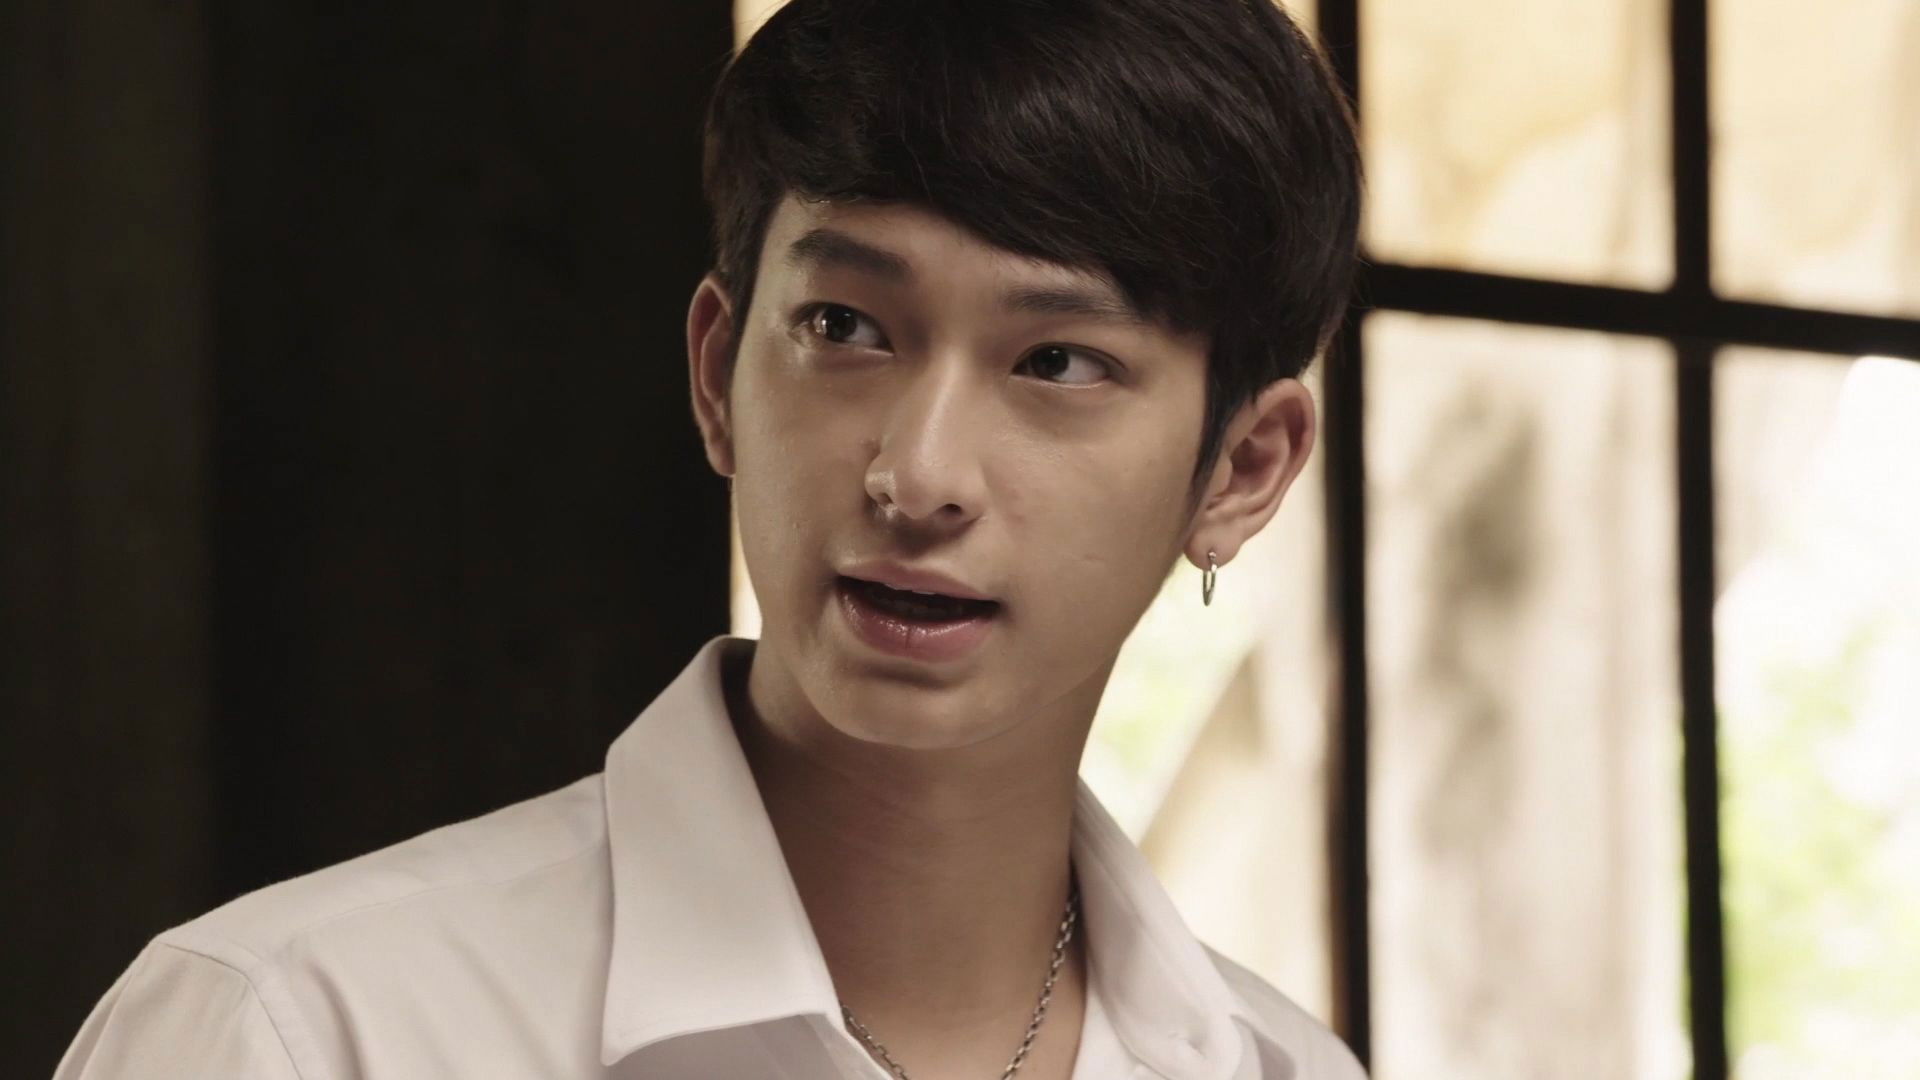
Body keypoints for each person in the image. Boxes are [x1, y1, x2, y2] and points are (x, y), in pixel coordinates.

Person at [54, 0, 1362, 1076]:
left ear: (1242, 469)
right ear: (718, 372)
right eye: (844, 328)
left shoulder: (1279, 1069)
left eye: (1058, 361)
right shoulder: (302, 1030)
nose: (917, 476)